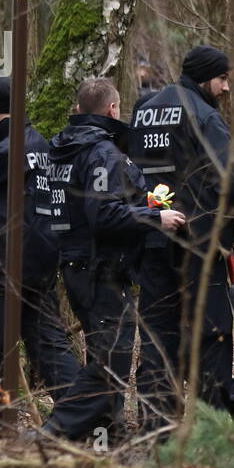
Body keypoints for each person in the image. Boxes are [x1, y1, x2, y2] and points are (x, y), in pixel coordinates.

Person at [129, 44, 234, 435]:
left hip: (154, 238)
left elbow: (134, 170)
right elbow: (230, 178)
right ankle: (228, 418)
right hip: (199, 247)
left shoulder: (144, 109)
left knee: (157, 337)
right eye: (223, 79)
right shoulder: (203, 115)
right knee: (210, 334)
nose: (226, 89)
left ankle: (157, 430)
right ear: (207, 76)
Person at [47, 78, 186, 441]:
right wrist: (157, 218)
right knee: (112, 362)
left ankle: (106, 430)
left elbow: (88, 206)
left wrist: (146, 204)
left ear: (79, 109)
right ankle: (54, 432)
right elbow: (104, 216)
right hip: (99, 269)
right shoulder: (103, 153)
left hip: (75, 263)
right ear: (112, 110)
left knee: (104, 352)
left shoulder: (64, 149)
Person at [0, 76, 80, 425]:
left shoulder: (9, 150)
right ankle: (82, 412)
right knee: (47, 342)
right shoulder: (35, 141)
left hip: (7, 258)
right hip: (38, 256)